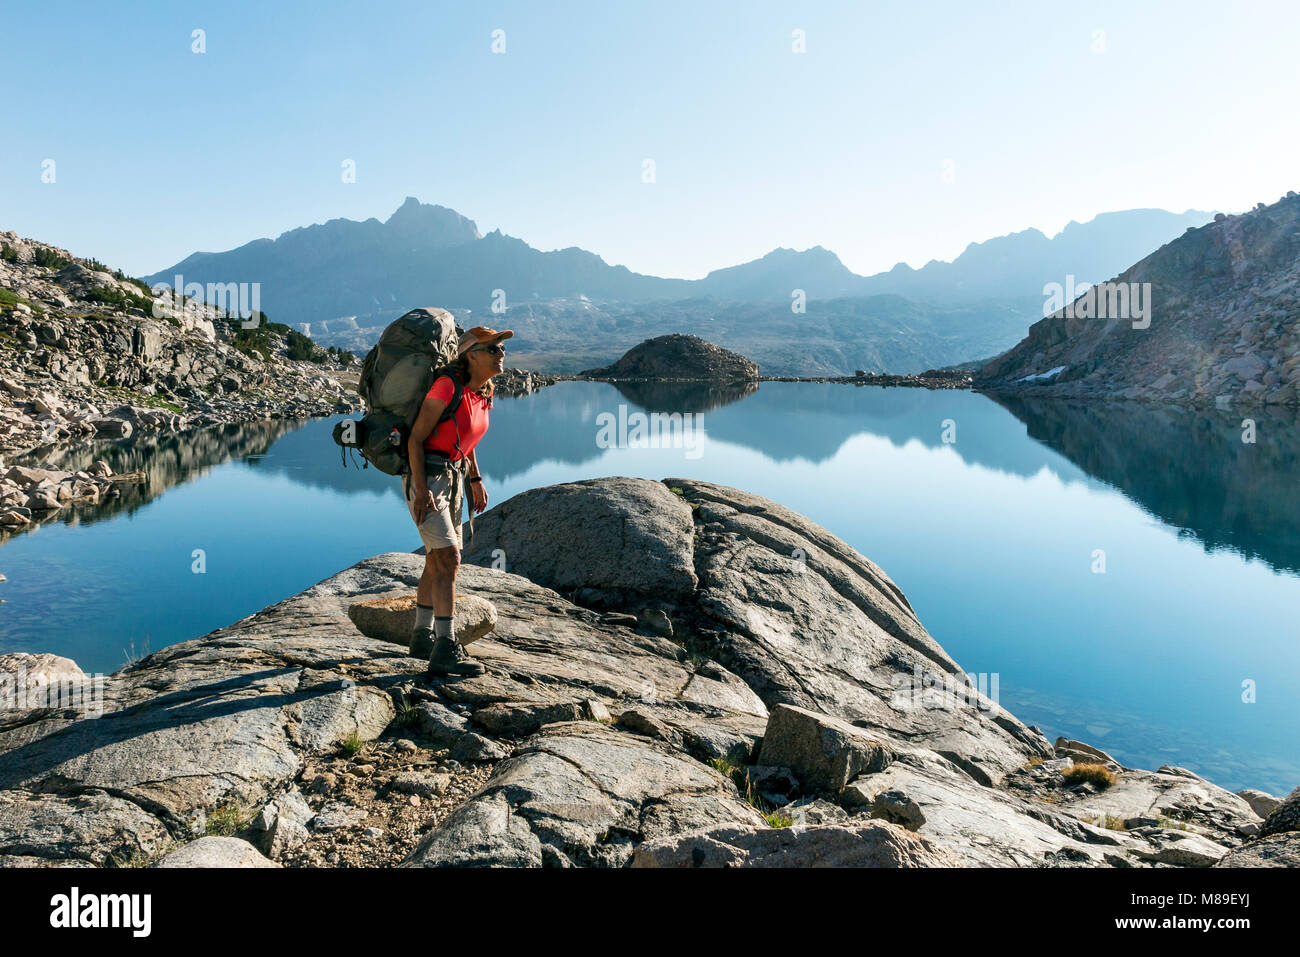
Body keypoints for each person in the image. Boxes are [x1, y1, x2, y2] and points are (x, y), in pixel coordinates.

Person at [405, 325, 512, 677]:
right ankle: (445, 647)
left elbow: (467, 436)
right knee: (449, 557)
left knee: (436, 560)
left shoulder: (482, 391)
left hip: (453, 476)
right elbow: (416, 439)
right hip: (429, 478)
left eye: (501, 348)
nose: (501, 354)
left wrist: (475, 478)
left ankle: (421, 637)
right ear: (471, 355)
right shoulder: (446, 386)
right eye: (493, 348)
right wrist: (421, 490)